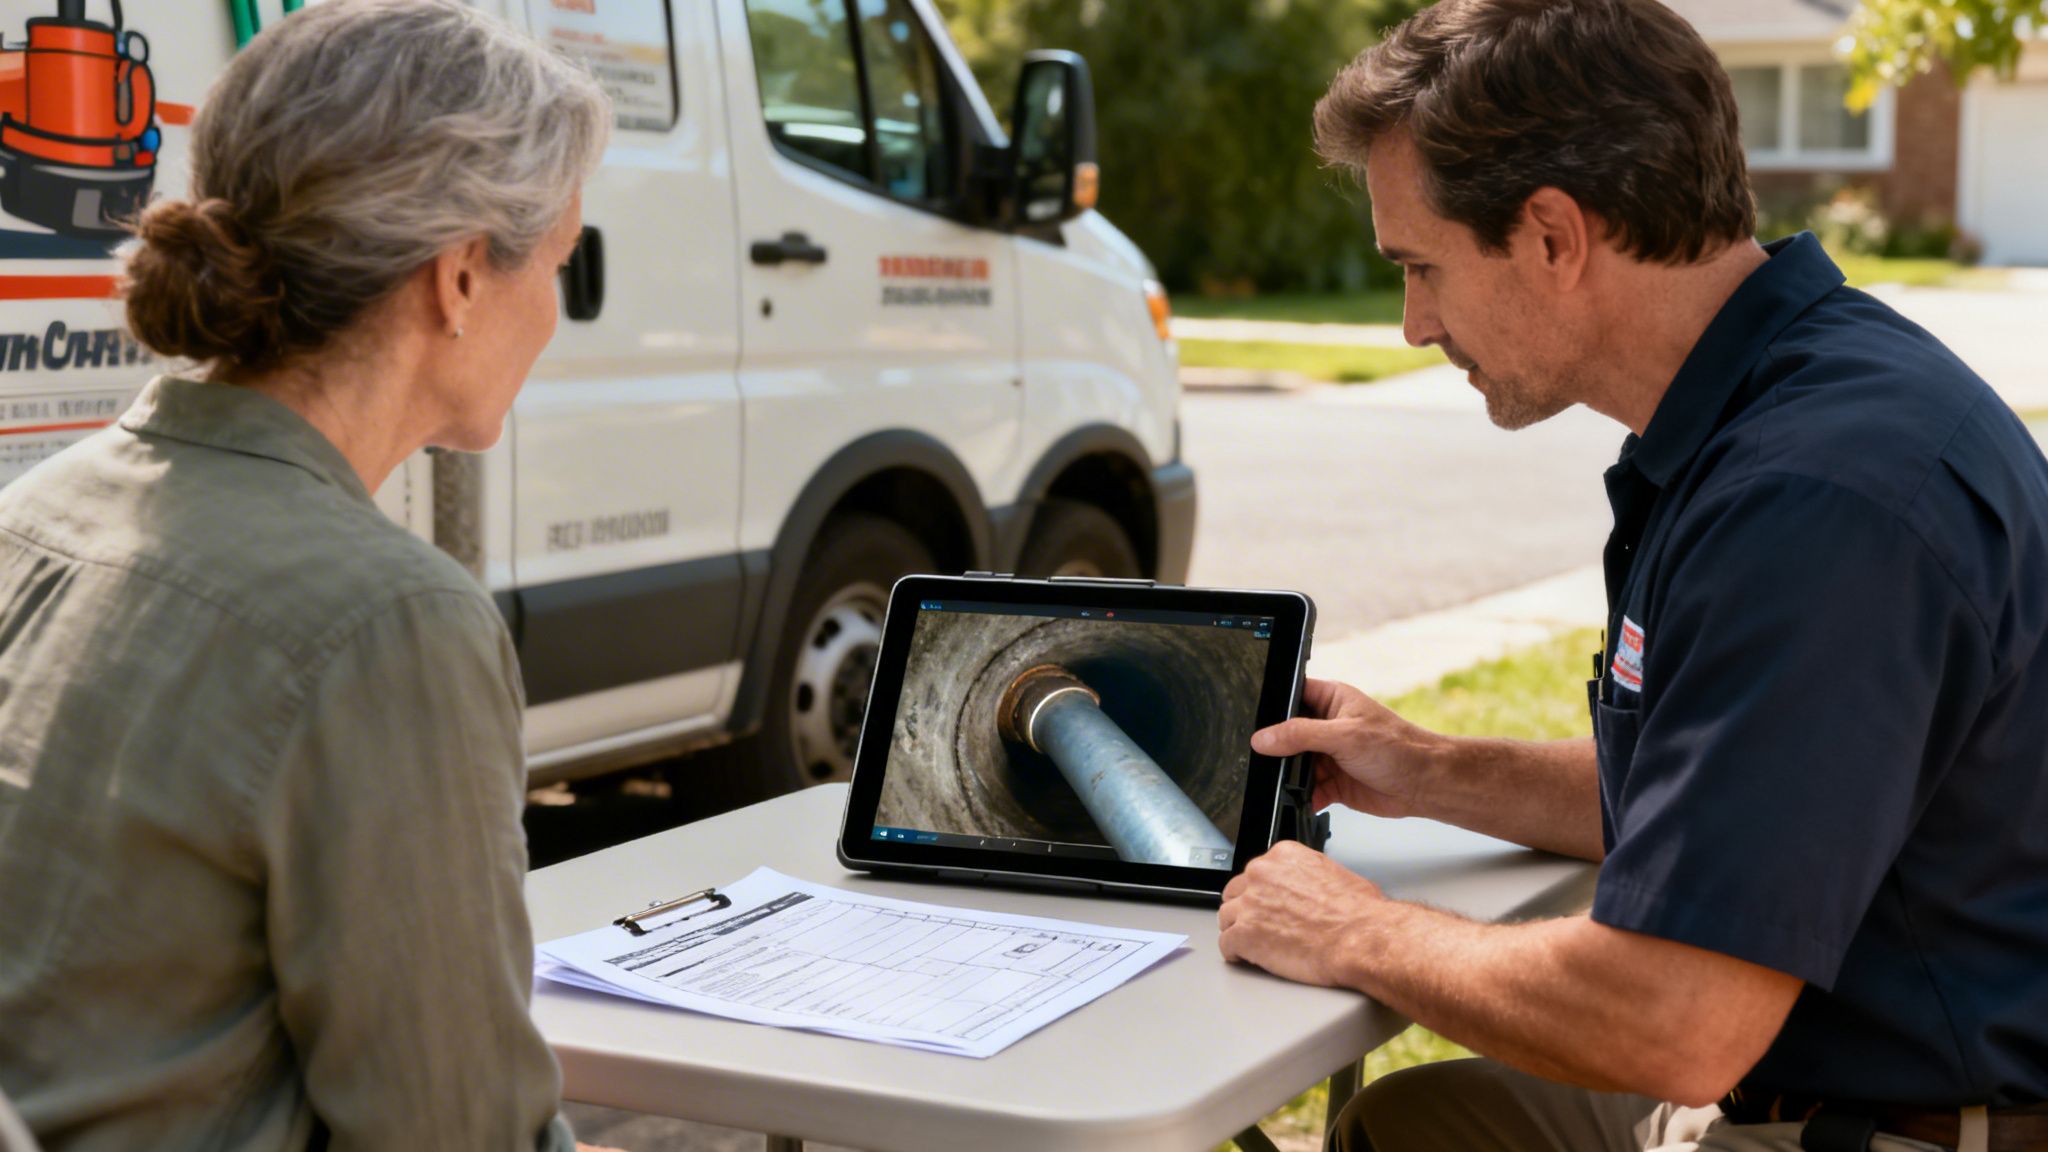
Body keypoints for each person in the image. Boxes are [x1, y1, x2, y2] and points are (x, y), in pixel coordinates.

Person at [1214, 0, 2048, 1149]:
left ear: (1552, 237)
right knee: (1409, 1125)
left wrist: (1353, 932)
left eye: (1421, 267)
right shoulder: (1785, 402)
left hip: (1893, 1120)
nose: (1410, 323)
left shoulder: (1814, 500)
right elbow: (1720, 807)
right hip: (1823, 1066)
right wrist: (1421, 768)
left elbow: (1675, 1021)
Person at [0, 2, 621, 1149]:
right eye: (559, 265)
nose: (555, 314)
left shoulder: (33, 515)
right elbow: (452, 1130)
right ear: (461, 279)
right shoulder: (387, 621)